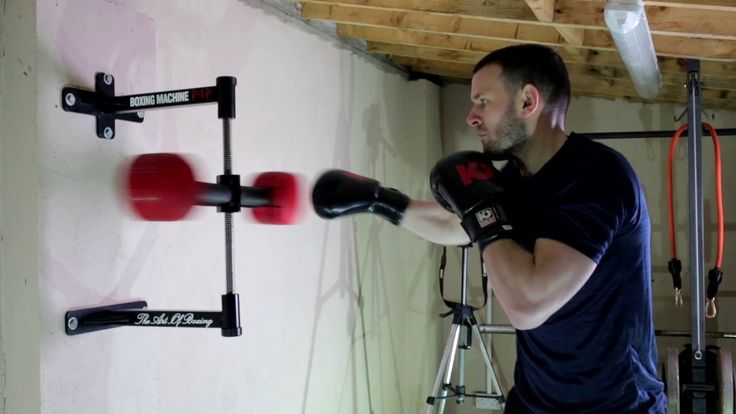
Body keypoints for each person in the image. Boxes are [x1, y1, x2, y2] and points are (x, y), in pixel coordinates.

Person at [311, 44, 667, 414]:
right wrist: (380, 200)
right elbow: (458, 225)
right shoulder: (517, 178)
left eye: (483, 101)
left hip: (616, 406)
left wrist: (482, 213)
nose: (471, 116)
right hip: (535, 400)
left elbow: (528, 304)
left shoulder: (595, 176)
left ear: (528, 101)